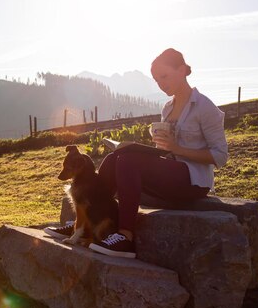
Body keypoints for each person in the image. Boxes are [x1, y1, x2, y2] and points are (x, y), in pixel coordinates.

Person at [87, 48, 229, 258]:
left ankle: (125, 237)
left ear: (181, 70)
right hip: (170, 174)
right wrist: (155, 148)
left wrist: (177, 149)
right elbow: (167, 152)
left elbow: (220, 156)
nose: (161, 84)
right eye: (156, 80)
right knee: (114, 158)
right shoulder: (167, 108)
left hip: (193, 181)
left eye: (164, 76)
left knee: (128, 161)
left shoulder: (205, 107)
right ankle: (86, 225)